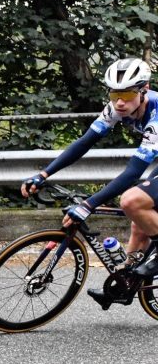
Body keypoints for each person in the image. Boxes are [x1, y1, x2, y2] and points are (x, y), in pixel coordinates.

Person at [21, 57, 158, 303]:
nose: (119, 102)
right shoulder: (116, 108)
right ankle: (124, 286)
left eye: (127, 95)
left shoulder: (156, 114)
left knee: (131, 201)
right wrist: (44, 174)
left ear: (144, 89)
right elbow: (84, 143)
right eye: (114, 93)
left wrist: (87, 205)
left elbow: (133, 172)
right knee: (140, 222)